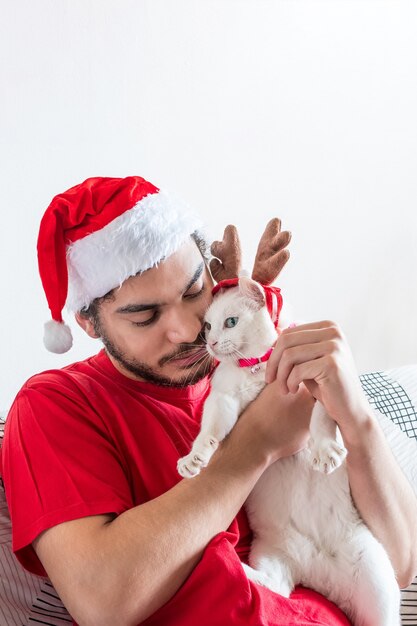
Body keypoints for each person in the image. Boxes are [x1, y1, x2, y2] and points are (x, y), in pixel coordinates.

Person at [2, 176, 416, 626]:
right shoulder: (56, 405)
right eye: (145, 316)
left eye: (193, 290)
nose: (186, 330)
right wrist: (256, 445)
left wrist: (355, 417)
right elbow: (103, 603)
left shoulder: (260, 359)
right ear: (88, 321)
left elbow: (398, 565)